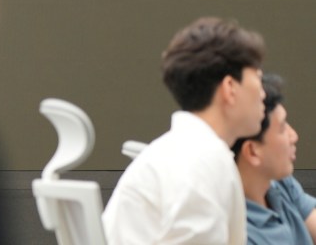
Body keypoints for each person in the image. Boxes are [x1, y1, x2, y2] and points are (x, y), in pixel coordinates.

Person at [103, 17, 267, 245]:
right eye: (258, 79)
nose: (263, 94)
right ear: (230, 88)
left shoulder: (187, 151)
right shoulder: (201, 160)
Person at [233, 74, 316, 244]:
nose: (294, 136)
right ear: (252, 151)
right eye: (282, 127)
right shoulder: (238, 233)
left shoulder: (279, 182)